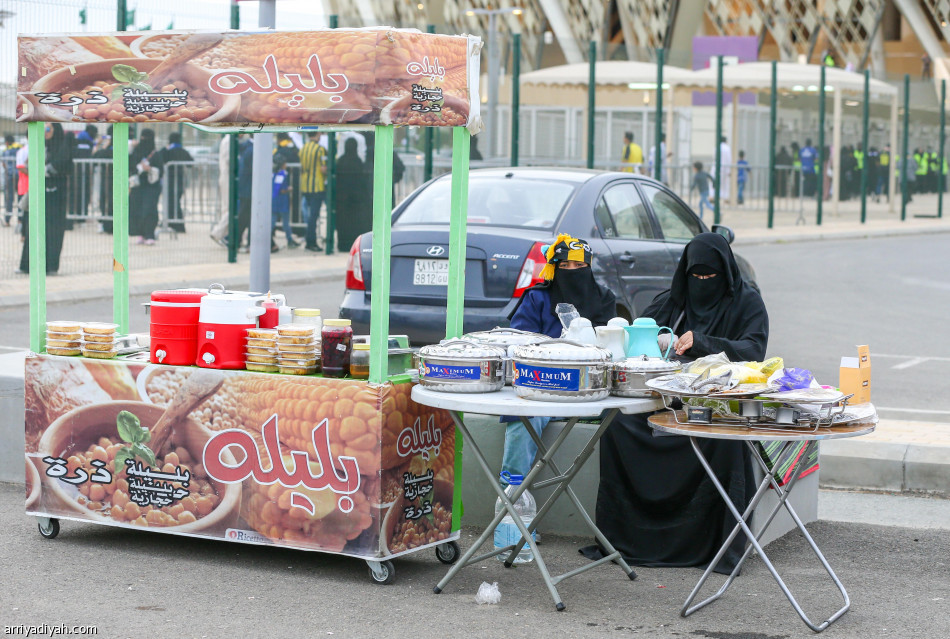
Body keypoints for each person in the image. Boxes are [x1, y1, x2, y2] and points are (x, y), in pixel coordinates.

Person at [581, 232, 769, 575]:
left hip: (715, 406)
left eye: (709, 277)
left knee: (725, 444)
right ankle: (630, 539)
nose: (701, 284)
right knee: (618, 425)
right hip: (664, 401)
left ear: (724, 274)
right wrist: (655, 340)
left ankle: (713, 544)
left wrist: (703, 343)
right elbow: (639, 337)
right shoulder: (673, 301)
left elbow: (755, 351)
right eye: (695, 277)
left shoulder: (746, 303)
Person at [502, 234, 616, 480]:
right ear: (554, 268)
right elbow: (519, 344)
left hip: (592, 389)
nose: (572, 271)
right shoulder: (537, 298)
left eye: (579, 265)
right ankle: (511, 492)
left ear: (589, 266)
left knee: (624, 420)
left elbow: (612, 347)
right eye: (564, 266)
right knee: (524, 415)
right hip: (544, 387)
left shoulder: (604, 298)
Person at [17, 123, 73, 275]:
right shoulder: (42, 146)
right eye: (44, 130)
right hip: (40, 192)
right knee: (34, 227)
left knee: (53, 230)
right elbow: (29, 164)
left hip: (56, 195)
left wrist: (44, 170)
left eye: (48, 129)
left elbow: (62, 165)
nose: (46, 133)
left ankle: (50, 265)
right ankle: (28, 265)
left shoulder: (62, 146)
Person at [155, 132, 193, 233]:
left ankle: (177, 225)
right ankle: (173, 223)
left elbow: (159, 156)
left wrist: (165, 148)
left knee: (170, 202)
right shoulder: (182, 151)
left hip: (169, 181)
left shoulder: (168, 151)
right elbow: (190, 163)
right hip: (179, 181)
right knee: (176, 202)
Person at [128, 128, 161, 245]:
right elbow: (129, 164)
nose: (144, 140)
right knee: (137, 209)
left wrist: (150, 169)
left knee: (149, 209)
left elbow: (160, 170)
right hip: (138, 185)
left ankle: (150, 234)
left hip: (151, 187)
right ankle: (140, 234)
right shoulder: (136, 150)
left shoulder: (156, 153)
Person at [334, 137, 367, 251]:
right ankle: (351, 245)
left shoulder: (341, 160)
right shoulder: (357, 161)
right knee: (354, 223)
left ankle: (342, 245)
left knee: (343, 223)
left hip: (342, 199)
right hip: (355, 200)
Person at [299, 132, 327, 252]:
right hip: (317, 185)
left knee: (310, 215)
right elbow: (323, 168)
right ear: (318, 134)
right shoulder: (320, 150)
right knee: (314, 216)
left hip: (305, 185)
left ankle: (309, 239)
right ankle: (311, 241)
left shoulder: (303, 148)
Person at [209, 134, 232, 247]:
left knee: (226, 208)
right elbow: (229, 159)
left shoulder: (227, 139)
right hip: (228, 177)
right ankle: (218, 232)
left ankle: (225, 235)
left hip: (227, 176)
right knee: (231, 208)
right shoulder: (229, 140)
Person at [271, 155, 298, 250]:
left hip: (274, 200)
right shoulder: (284, 174)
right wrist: (289, 189)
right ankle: (290, 240)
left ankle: (268, 238)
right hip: (282, 201)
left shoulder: (273, 174)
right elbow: (282, 189)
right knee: (285, 222)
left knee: (272, 221)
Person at [92, 126, 113, 234]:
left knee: (106, 202)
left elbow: (94, 156)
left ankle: (107, 225)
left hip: (107, 180)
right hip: (111, 180)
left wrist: (99, 145)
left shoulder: (107, 150)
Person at [3, 135, 22, 226]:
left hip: (10, 176)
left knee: (9, 198)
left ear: (7, 142)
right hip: (20, 175)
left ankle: (7, 220)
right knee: (20, 198)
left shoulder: (5, 151)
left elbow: (4, 164)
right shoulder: (19, 148)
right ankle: (20, 220)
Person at [718, 136, 732, 201]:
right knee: (726, 183)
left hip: (717, 167)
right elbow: (729, 159)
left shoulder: (717, 147)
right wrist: (729, 170)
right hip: (725, 167)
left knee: (718, 182)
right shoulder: (727, 148)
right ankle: (726, 197)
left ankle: (716, 196)